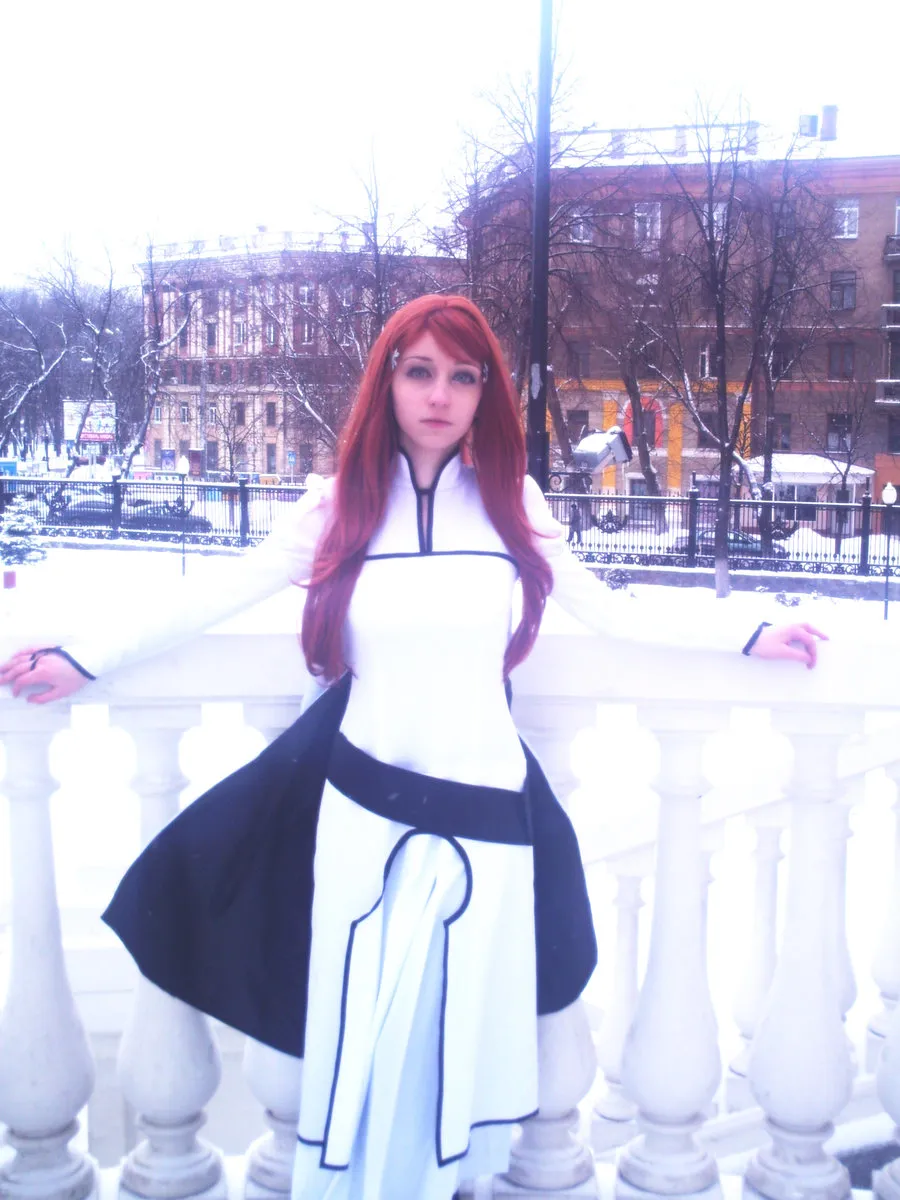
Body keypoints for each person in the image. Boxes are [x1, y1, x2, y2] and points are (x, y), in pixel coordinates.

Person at [0, 295, 825, 1200]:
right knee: (361, 1043)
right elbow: (214, 594)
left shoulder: (512, 505)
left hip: (489, 822)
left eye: (462, 377)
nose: (440, 395)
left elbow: (613, 612)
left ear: (484, 394)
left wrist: (748, 633)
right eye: (420, 371)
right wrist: (85, 655)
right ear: (387, 380)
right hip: (364, 816)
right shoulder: (336, 508)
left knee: (457, 1050)